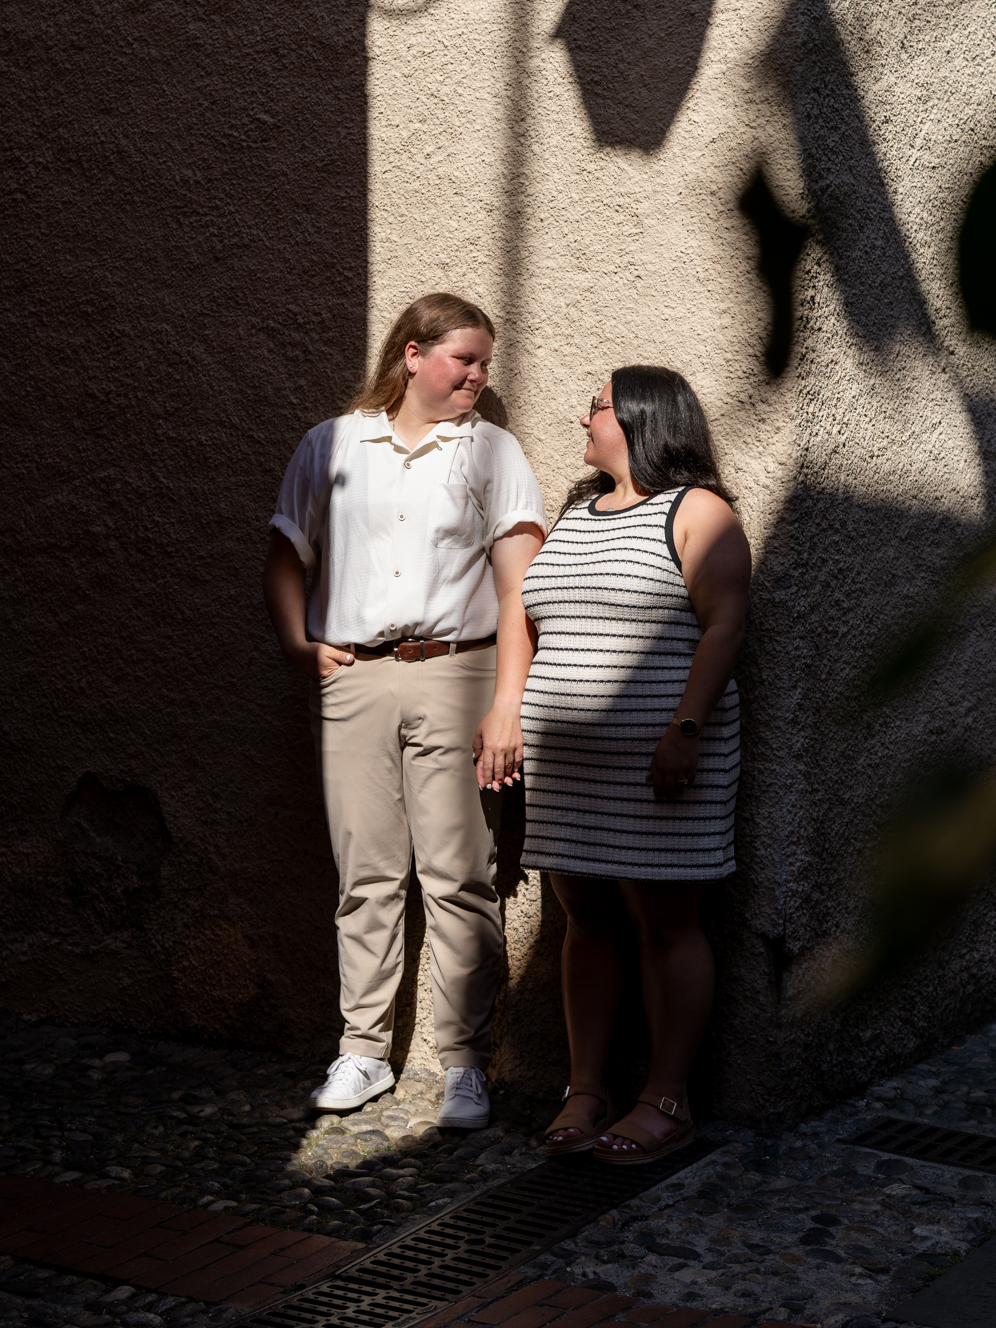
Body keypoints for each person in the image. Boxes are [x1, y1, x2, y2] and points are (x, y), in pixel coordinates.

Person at [264, 294, 545, 1129]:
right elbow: (284, 551)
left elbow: (517, 590)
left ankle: (463, 1063)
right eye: (465, 360)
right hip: (353, 677)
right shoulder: (334, 444)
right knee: (366, 873)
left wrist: (506, 703)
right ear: (413, 354)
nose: (478, 378)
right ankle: (361, 1051)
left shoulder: (491, 452)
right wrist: (297, 643)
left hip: (457, 672)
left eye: (486, 364)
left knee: (461, 875)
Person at [518, 366, 750, 1162]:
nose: (584, 417)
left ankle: (668, 1097)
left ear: (645, 418)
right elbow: (534, 615)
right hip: (571, 773)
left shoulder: (698, 512)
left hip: (663, 768)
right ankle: (586, 1088)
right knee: (585, 922)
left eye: (598, 406)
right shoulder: (577, 512)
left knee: (666, 926)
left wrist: (684, 728)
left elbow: (724, 626)